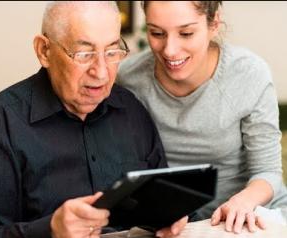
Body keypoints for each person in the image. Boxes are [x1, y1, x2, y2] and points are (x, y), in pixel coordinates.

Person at [0, 2, 188, 238]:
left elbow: (160, 199)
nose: (101, 72)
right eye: (84, 54)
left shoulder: (130, 109)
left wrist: (167, 217)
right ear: (44, 51)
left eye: (111, 52)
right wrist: (50, 230)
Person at [117, 0, 287, 234]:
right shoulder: (129, 79)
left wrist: (243, 202)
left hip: (250, 216)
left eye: (186, 33)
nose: (170, 50)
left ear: (214, 23)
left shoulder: (248, 74)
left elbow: (267, 172)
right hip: (174, 224)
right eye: (157, 33)